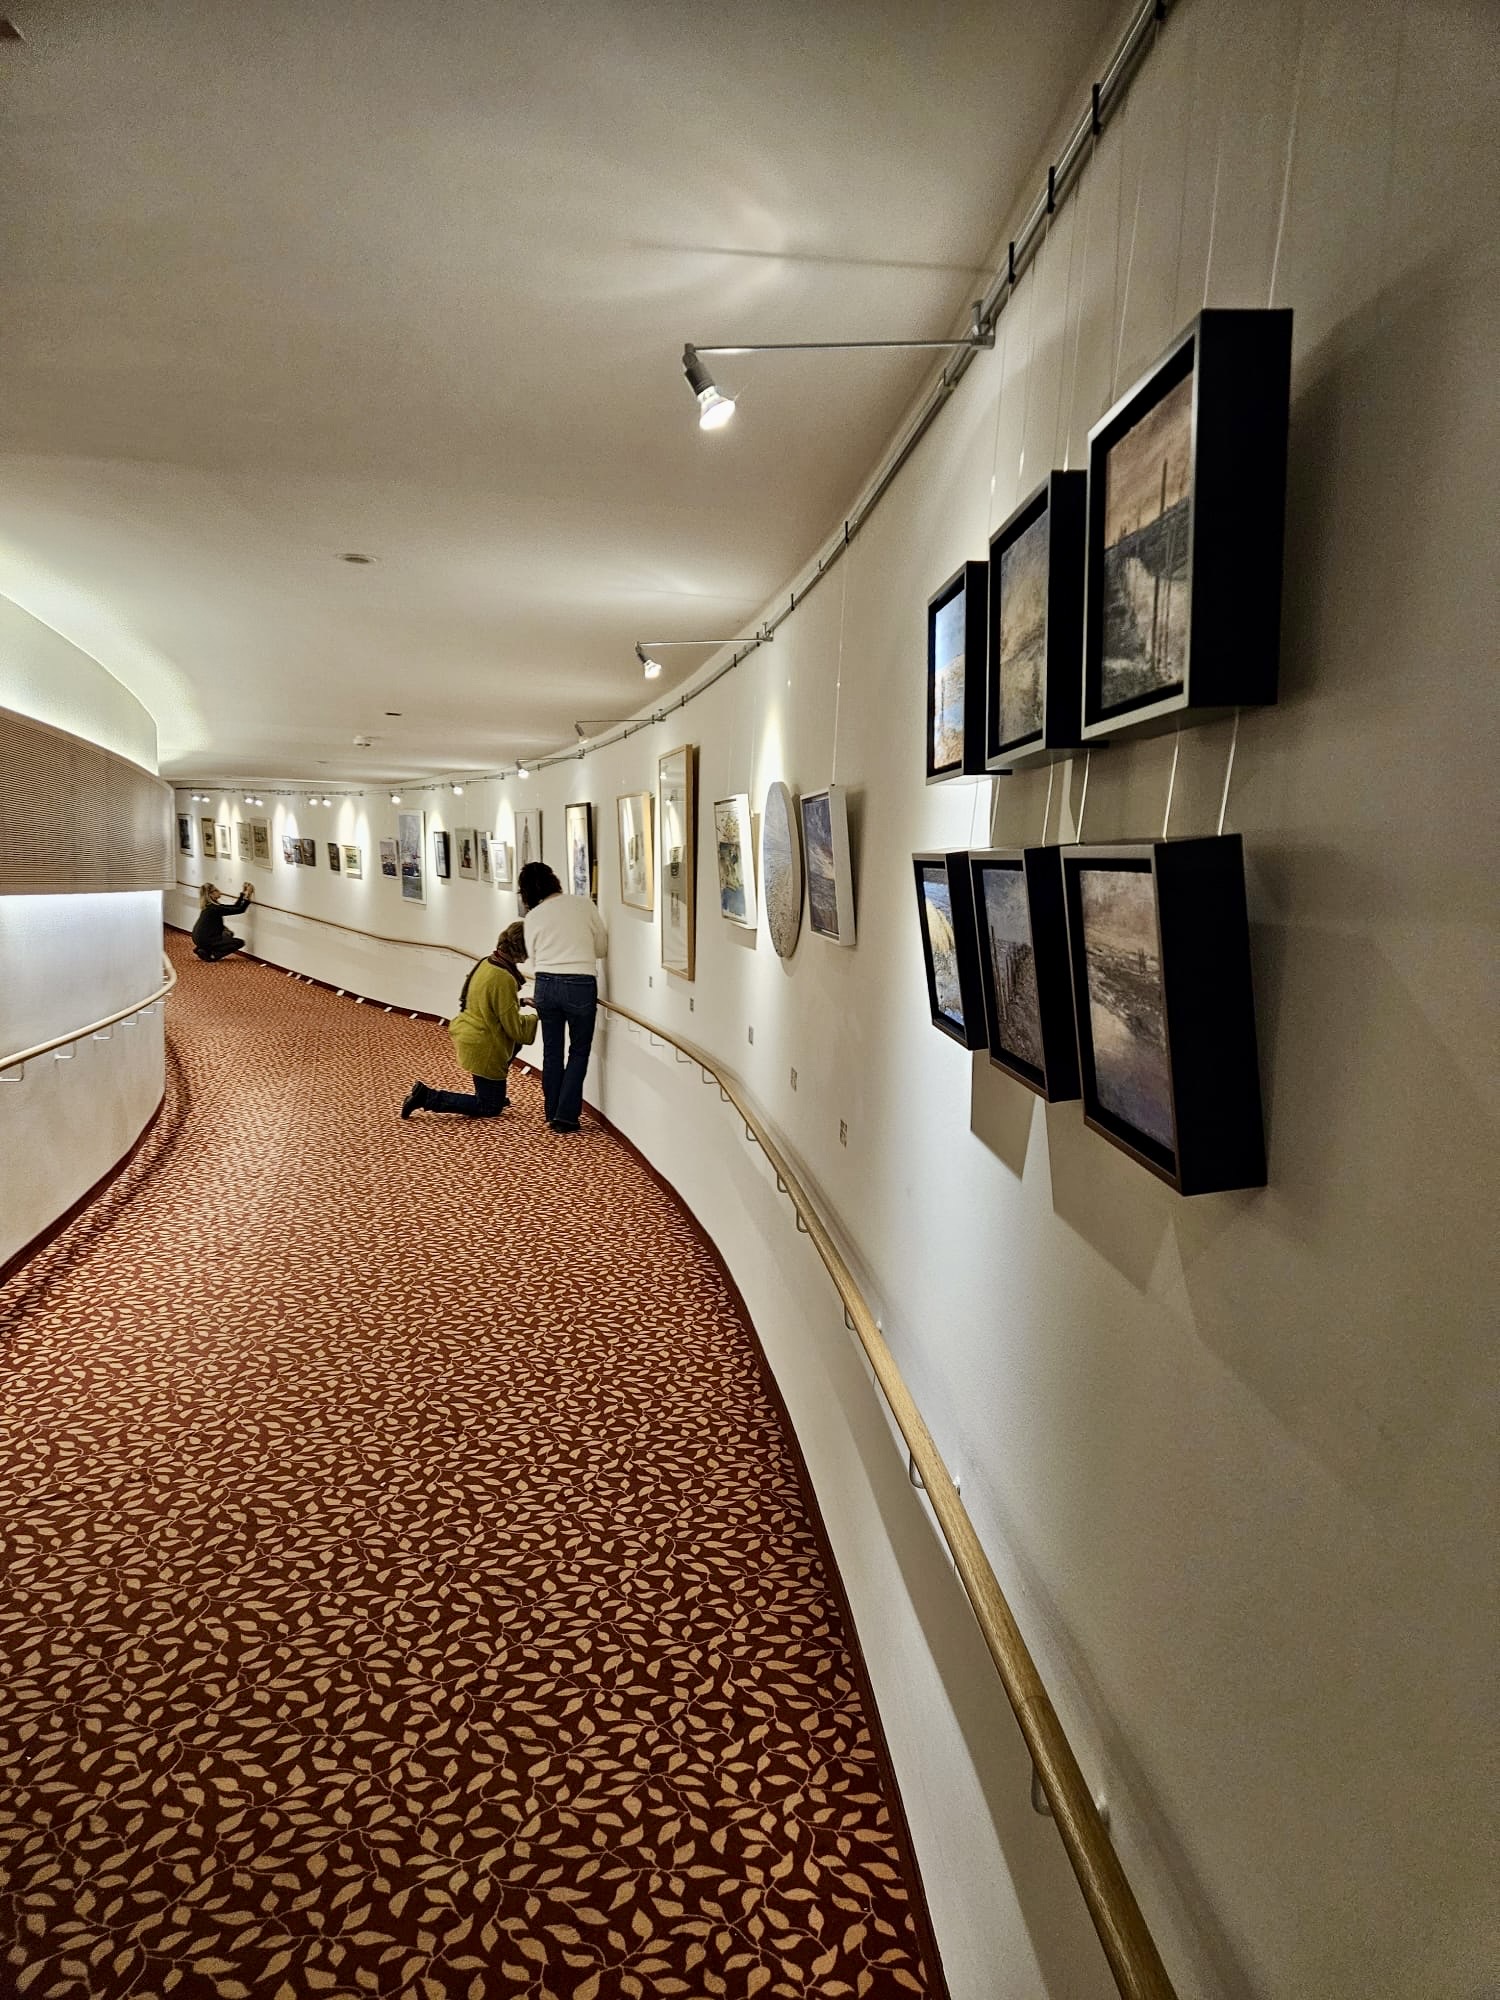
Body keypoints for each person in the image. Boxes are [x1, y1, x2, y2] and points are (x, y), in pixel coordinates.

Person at [401, 921, 536, 1119]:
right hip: (484, 1044)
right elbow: (515, 1029)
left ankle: (493, 1094)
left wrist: (520, 1002)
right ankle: (427, 1097)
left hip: (471, 1033)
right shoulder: (505, 977)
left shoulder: (488, 961)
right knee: (489, 1108)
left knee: (492, 1095)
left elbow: (489, 1000)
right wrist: (536, 1016)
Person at [518, 860, 607, 1134]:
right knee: (579, 1051)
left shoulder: (533, 917)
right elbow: (601, 948)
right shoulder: (583, 905)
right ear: (554, 879)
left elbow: (532, 955)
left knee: (552, 1052)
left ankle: (551, 1109)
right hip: (580, 983)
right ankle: (566, 1116)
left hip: (545, 983)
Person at [192, 882, 254, 960]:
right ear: (210, 895)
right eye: (216, 890)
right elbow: (240, 909)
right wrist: (248, 895)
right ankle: (213, 955)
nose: (219, 891)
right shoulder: (214, 909)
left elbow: (235, 907)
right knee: (239, 942)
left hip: (199, 938)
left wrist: (243, 893)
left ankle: (203, 949)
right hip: (206, 939)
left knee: (228, 934)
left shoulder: (210, 906)